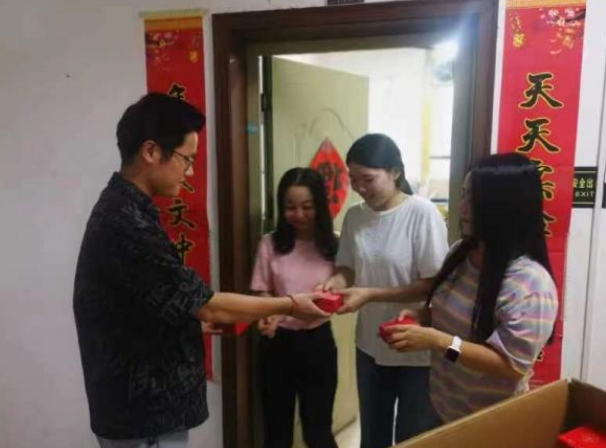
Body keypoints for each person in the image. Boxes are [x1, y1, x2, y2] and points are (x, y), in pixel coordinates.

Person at [73, 93, 328, 448]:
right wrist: (291, 305)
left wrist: (188, 321)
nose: (190, 172)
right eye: (186, 159)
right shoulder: (126, 223)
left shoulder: (129, 210)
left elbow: (151, 301)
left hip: (142, 409)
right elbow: (209, 305)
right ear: (151, 152)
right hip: (143, 417)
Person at [342, 153, 559, 427]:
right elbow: (455, 312)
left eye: (473, 200)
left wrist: (438, 340)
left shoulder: (530, 285)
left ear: (506, 208)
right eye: (464, 195)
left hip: (488, 421)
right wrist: (423, 316)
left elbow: (510, 366)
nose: (462, 207)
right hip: (443, 404)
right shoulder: (461, 254)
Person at [320, 134, 449, 448]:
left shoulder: (421, 213)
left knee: (413, 438)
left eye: (368, 179)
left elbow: (434, 283)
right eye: (354, 180)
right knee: (372, 436)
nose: (360, 188)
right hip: (370, 344)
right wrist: (335, 284)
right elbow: (348, 268)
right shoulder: (355, 216)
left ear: (395, 172)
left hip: (415, 346)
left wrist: (370, 294)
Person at [251, 167, 340, 448]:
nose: (298, 214)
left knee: (318, 432)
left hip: (318, 343)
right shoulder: (269, 243)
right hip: (277, 344)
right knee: (276, 434)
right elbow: (263, 290)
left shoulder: (334, 244)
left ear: (319, 206)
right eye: (290, 207)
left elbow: (345, 286)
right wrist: (268, 314)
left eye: (307, 206)